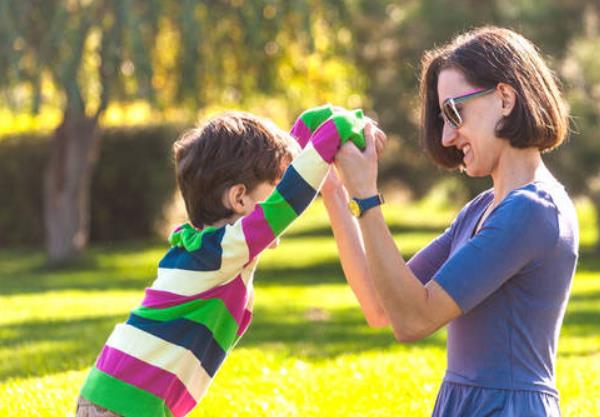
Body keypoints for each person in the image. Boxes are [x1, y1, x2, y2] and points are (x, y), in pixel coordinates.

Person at [321, 26, 579, 417]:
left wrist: (366, 197)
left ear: (505, 98)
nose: (445, 136)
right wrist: (338, 194)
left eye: (454, 113)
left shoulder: (533, 209)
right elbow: (381, 306)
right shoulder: (482, 208)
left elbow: (413, 321)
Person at [76, 105, 385, 417]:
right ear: (239, 199)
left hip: (121, 397)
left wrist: (316, 120)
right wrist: (349, 123)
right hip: (124, 405)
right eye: (273, 190)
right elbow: (292, 195)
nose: (278, 201)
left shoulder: (215, 251)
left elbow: (288, 169)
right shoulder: (221, 252)